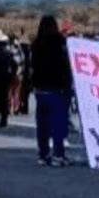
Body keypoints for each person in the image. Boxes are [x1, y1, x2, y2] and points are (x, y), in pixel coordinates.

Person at [31, 15, 74, 166]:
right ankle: (58, 154)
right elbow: (66, 66)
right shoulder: (60, 43)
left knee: (42, 124)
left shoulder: (36, 44)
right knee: (58, 123)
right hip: (57, 89)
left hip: (40, 89)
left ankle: (43, 154)